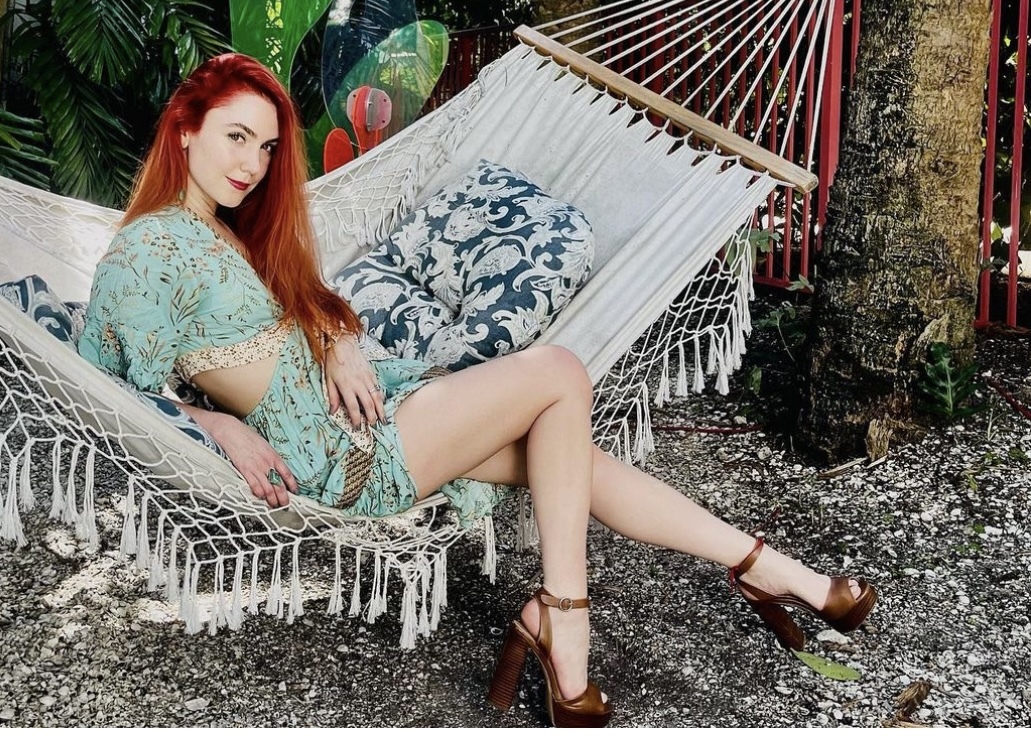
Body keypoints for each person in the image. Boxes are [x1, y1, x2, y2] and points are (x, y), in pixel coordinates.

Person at [78, 53, 877, 728]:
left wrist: (341, 344)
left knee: (565, 453)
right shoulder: (145, 251)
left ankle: (770, 571)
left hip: (369, 401)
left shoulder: (228, 229)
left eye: (264, 146)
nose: (251, 164)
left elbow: (309, 309)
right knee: (558, 373)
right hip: (335, 453)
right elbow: (102, 387)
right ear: (185, 130)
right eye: (235, 137)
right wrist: (216, 424)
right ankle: (565, 623)